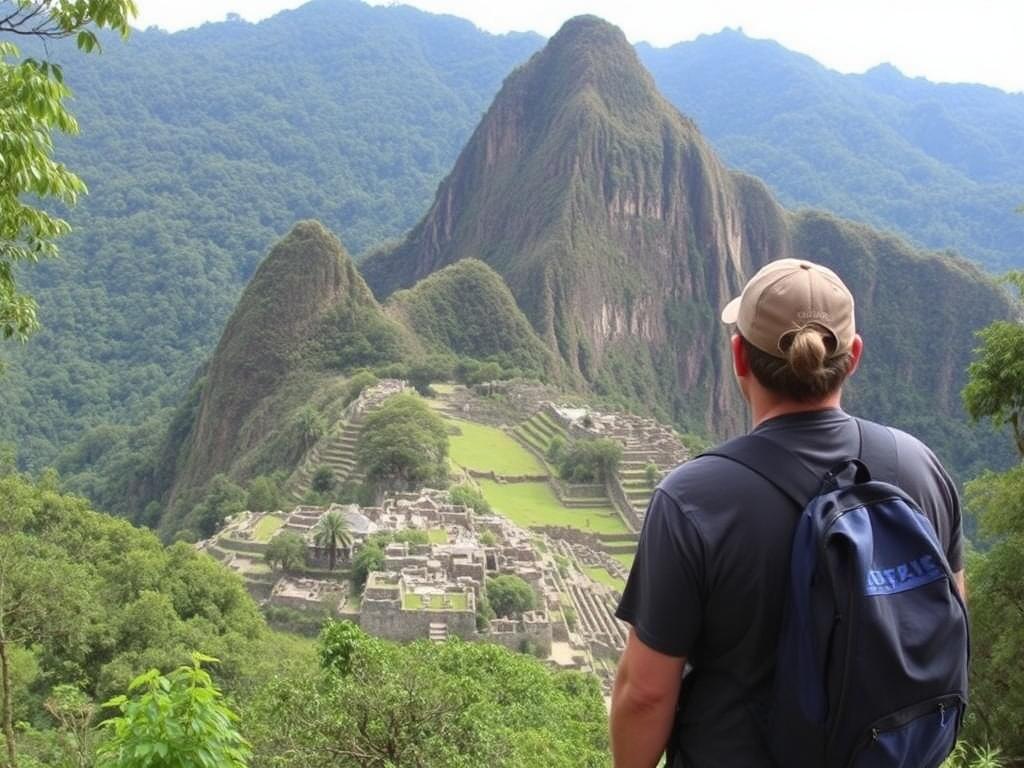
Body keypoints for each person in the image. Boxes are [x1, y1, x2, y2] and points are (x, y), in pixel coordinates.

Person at [609, 258, 965, 768]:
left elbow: (645, 693)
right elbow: (948, 614)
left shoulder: (693, 499)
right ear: (854, 355)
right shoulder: (920, 466)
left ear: (738, 356)